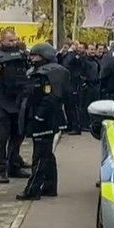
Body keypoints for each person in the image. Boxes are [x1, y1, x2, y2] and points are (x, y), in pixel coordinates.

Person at [17, 43, 68, 200]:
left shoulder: (53, 73)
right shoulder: (34, 72)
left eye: (36, 56)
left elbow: (52, 97)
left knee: (40, 155)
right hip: (35, 116)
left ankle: (33, 189)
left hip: (46, 119)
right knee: (46, 154)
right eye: (31, 55)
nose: (32, 59)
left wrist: (40, 116)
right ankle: (49, 186)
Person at [0, 30, 31, 184]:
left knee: (18, 135)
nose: (13, 43)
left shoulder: (22, 54)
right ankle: (0, 171)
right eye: (10, 41)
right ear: (2, 41)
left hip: (19, 100)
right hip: (3, 101)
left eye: (15, 40)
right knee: (2, 138)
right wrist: (0, 66)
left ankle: (14, 166)